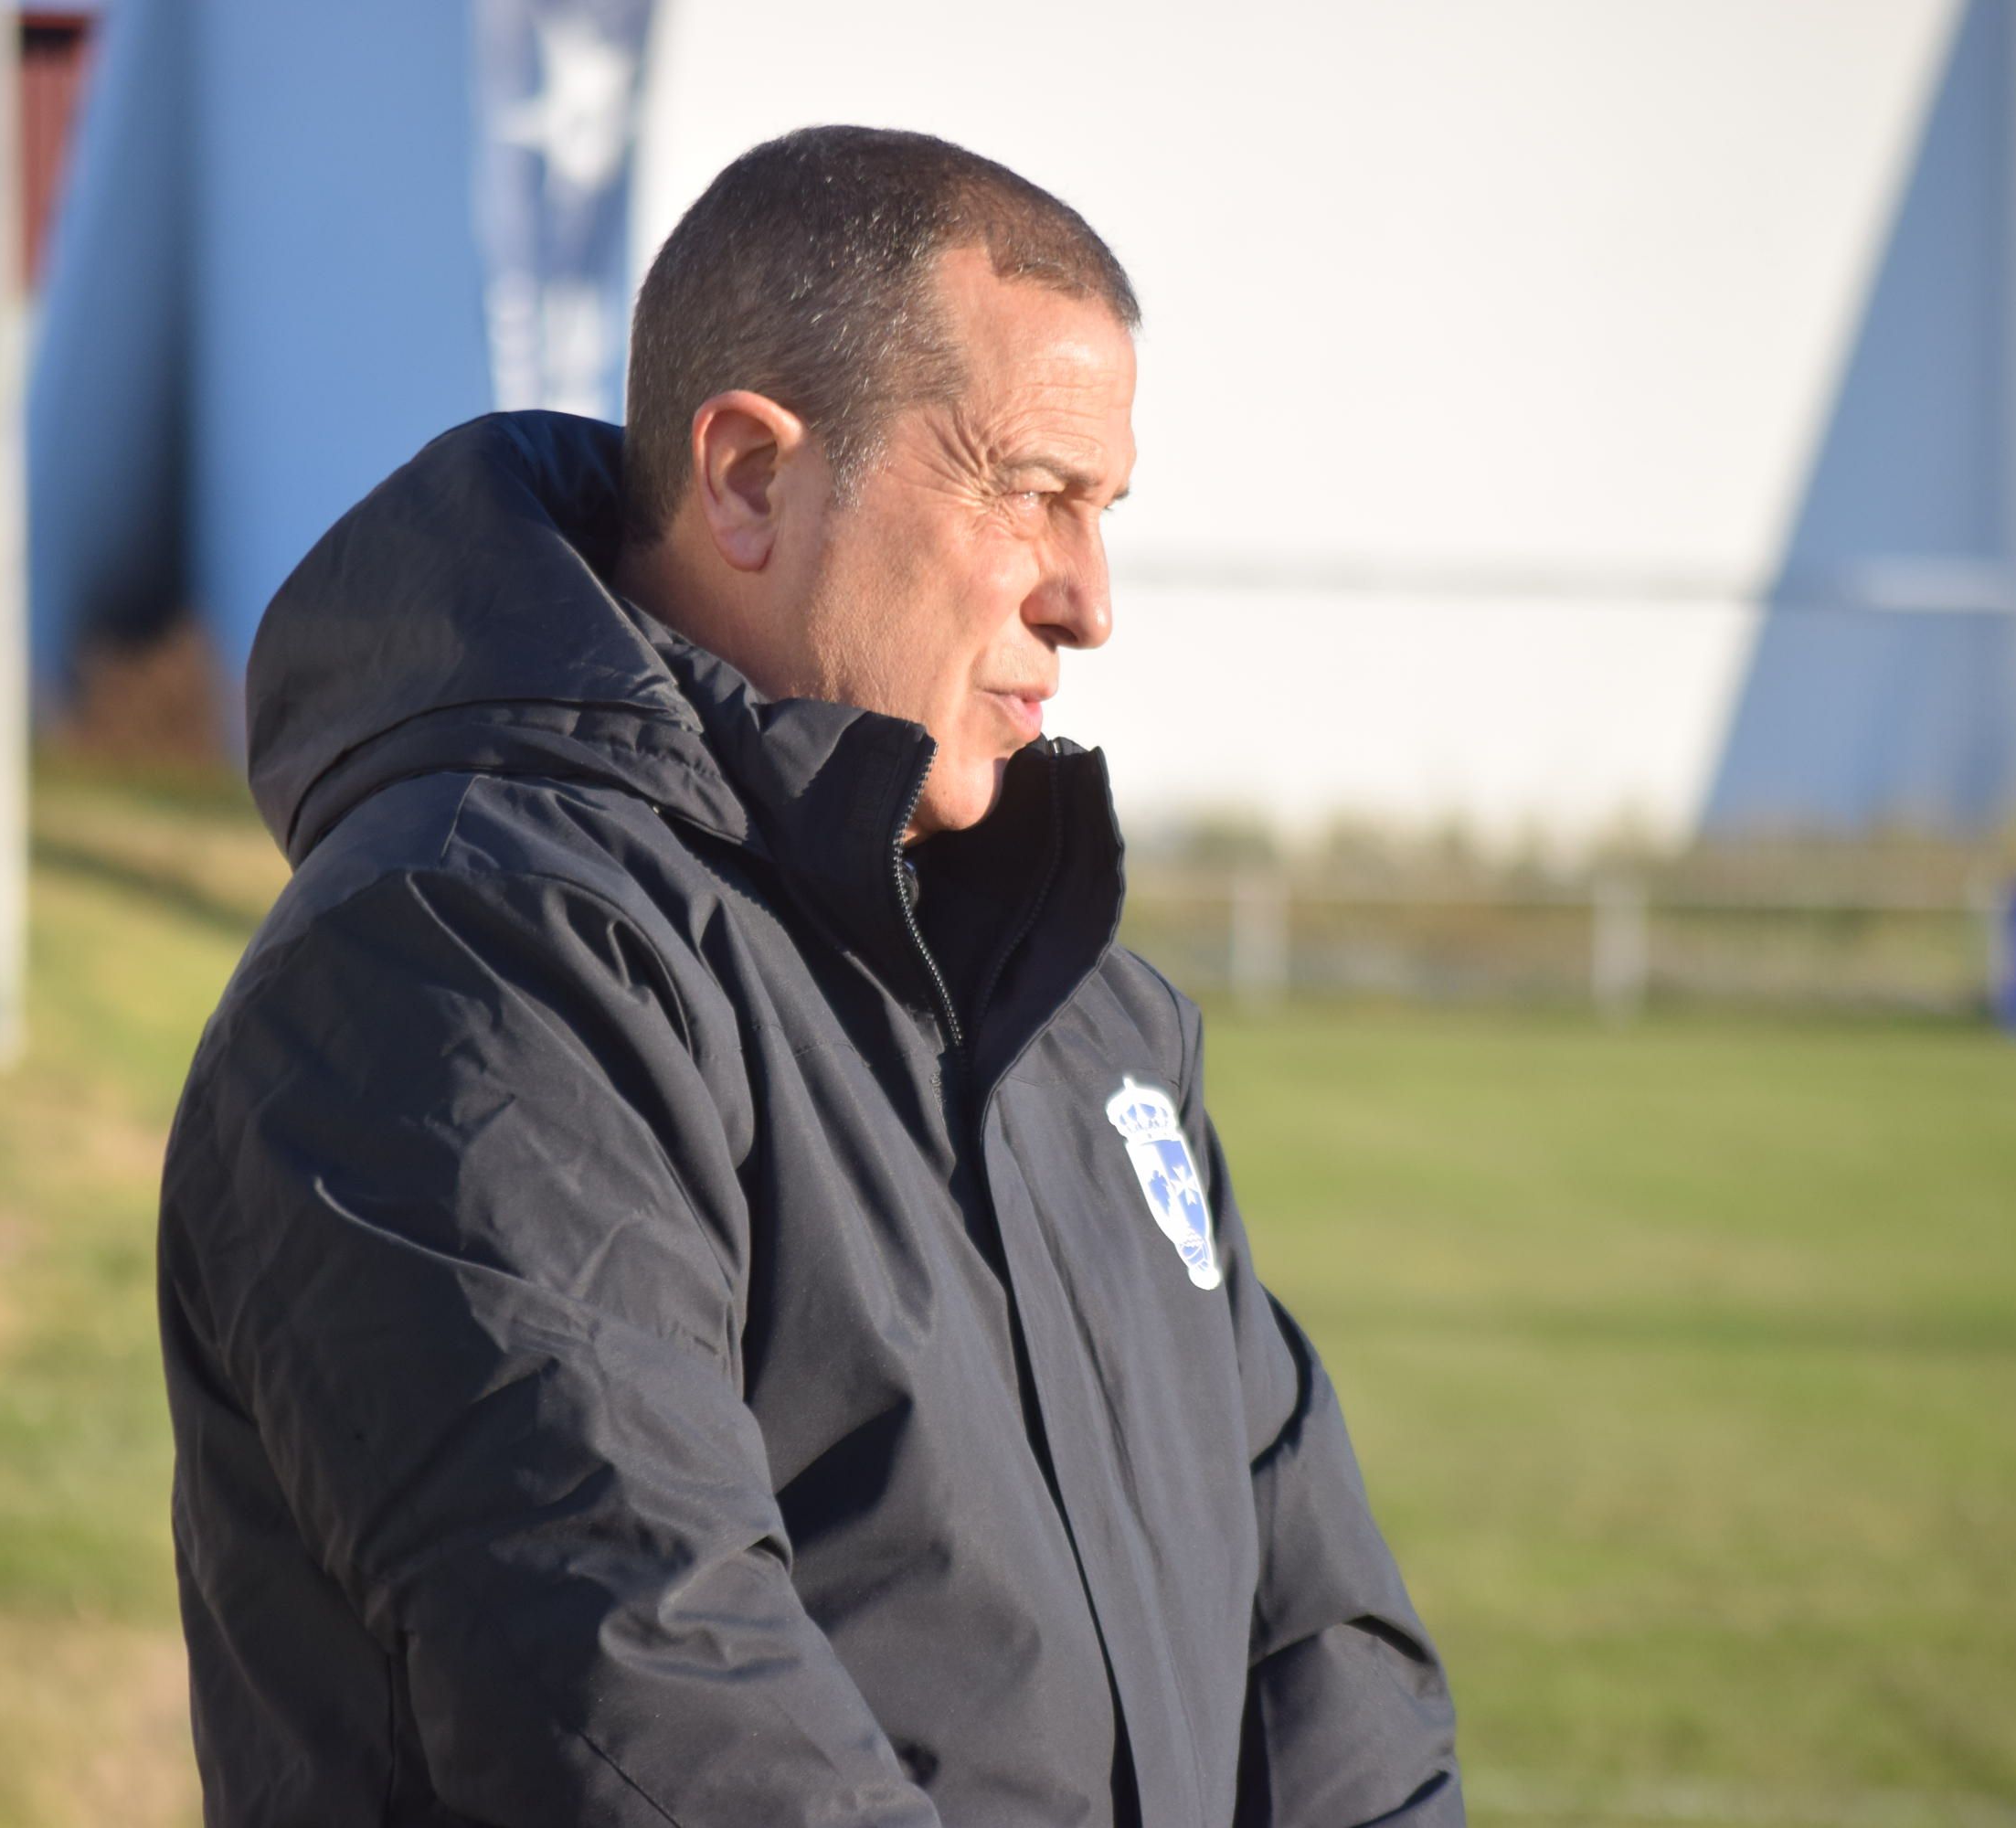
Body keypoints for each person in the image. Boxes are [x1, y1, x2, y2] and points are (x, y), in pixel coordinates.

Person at [159, 126, 1460, 1827]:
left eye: (1108, 511)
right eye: (1032, 491)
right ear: (752, 478)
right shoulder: (463, 964)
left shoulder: (1093, 1023)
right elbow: (638, 1688)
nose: (1090, 600)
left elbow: (1321, 1637)